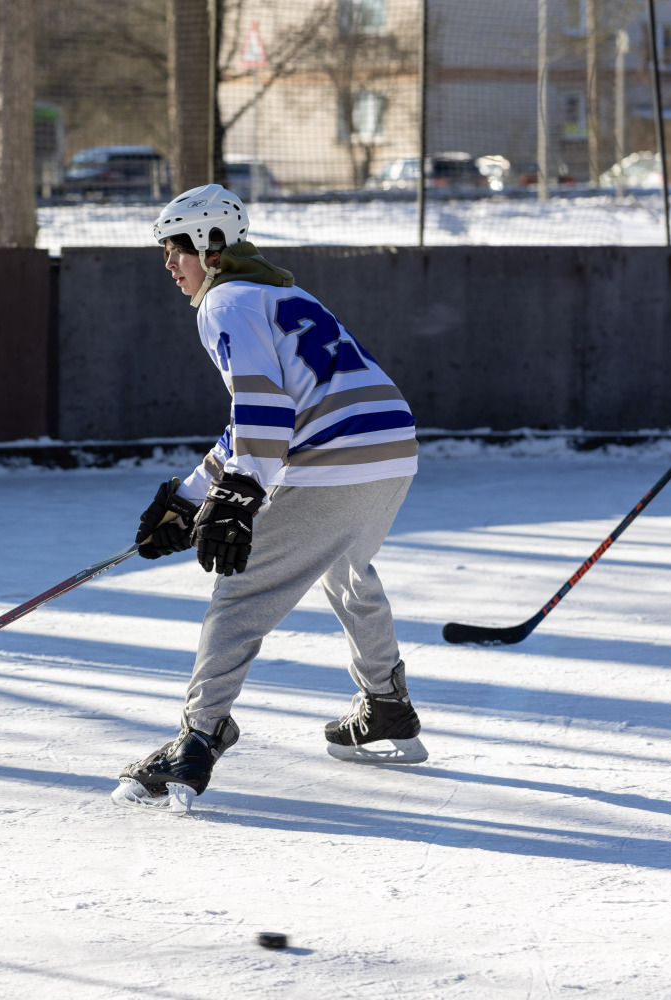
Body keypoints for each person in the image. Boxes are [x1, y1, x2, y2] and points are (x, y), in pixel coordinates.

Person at [115, 184, 424, 813]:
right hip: (393, 449)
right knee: (347, 568)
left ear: (212, 245)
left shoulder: (223, 301)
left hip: (334, 457)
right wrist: (192, 495)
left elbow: (264, 407)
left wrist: (238, 496)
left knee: (241, 595)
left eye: (177, 248)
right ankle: (386, 703)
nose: (169, 263)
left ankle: (198, 737)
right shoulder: (283, 293)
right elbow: (259, 416)